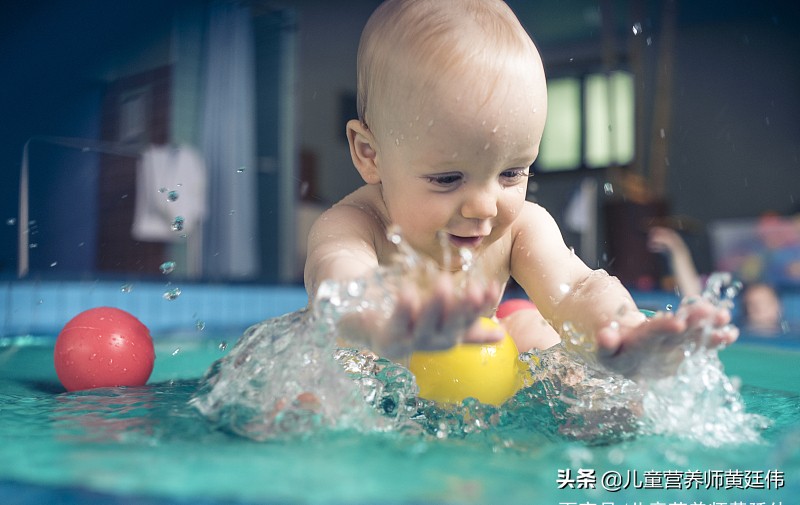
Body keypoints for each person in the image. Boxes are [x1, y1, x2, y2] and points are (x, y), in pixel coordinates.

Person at [304, 0, 736, 379]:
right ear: (369, 154)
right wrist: (388, 320)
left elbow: (578, 290)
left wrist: (622, 330)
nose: (484, 205)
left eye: (512, 173)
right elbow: (341, 280)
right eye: (448, 179)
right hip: (384, 369)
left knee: (535, 333)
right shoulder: (355, 226)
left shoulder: (521, 227)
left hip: (481, 361)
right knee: (324, 376)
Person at [648, 226, 784, 336]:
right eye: (752, 305)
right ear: (744, 309)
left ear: (778, 307)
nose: (758, 310)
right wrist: (677, 249)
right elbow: (694, 298)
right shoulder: (733, 330)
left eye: (764, 304)